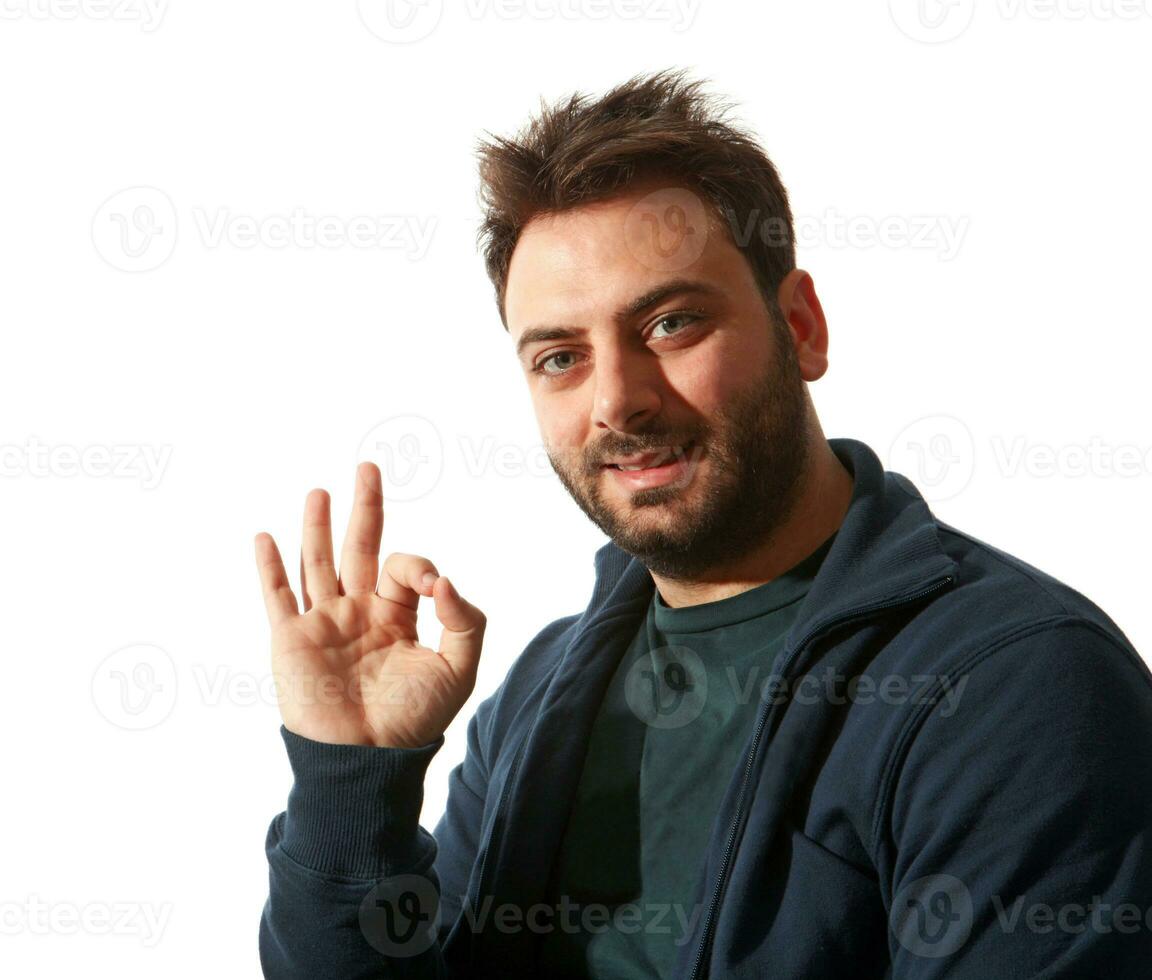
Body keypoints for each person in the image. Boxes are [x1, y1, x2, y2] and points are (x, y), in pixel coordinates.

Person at [254, 68, 1152, 978]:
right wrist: (349, 784)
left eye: (672, 322)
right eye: (560, 357)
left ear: (799, 325)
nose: (617, 401)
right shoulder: (547, 687)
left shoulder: (1017, 684)